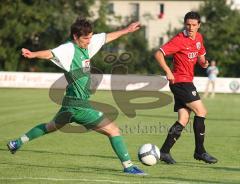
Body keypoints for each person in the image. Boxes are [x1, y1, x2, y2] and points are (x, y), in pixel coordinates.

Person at [7, 18, 146, 175]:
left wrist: (127, 30)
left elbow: (106, 37)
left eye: (90, 37)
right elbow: (50, 54)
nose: (88, 41)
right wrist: (33, 54)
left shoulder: (88, 44)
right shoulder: (68, 49)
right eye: (85, 38)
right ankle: (128, 167)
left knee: (49, 127)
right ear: (75, 36)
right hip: (79, 106)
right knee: (114, 130)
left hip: (69, 104)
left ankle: (16, 142)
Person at [154, 11, 218, 164]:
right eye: (188, 25)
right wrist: (168, 71)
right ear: (185, 24)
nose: (190, 28)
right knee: (201, 111)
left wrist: (204, 63)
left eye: (194, 25)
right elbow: (158, 54)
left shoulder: (199, 38)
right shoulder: (179, 39)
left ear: (199, 25)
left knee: (183, 118)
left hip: (186, 81)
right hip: (180, 82)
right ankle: (200, 151)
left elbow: (201, 56)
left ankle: (164, 152)